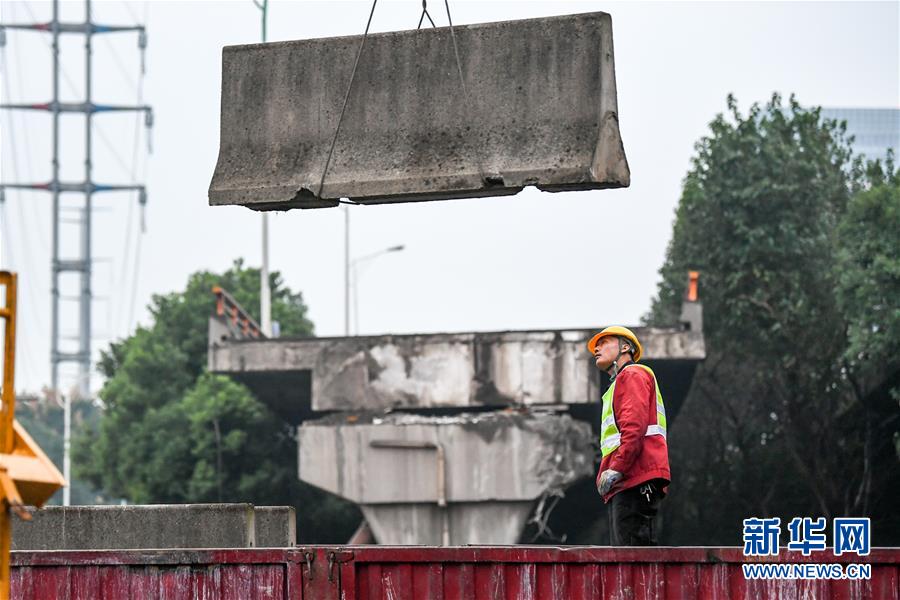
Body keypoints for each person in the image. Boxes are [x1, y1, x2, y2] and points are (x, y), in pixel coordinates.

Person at [587, 326, 670, 546]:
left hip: (634, 478)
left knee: (632, 562)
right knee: (627, 560)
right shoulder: (619, 384)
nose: (597, 348)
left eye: (604, 342)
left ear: (625, 347)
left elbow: (634, 428)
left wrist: (617, 468)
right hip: (628, 480)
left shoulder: (632, 374)